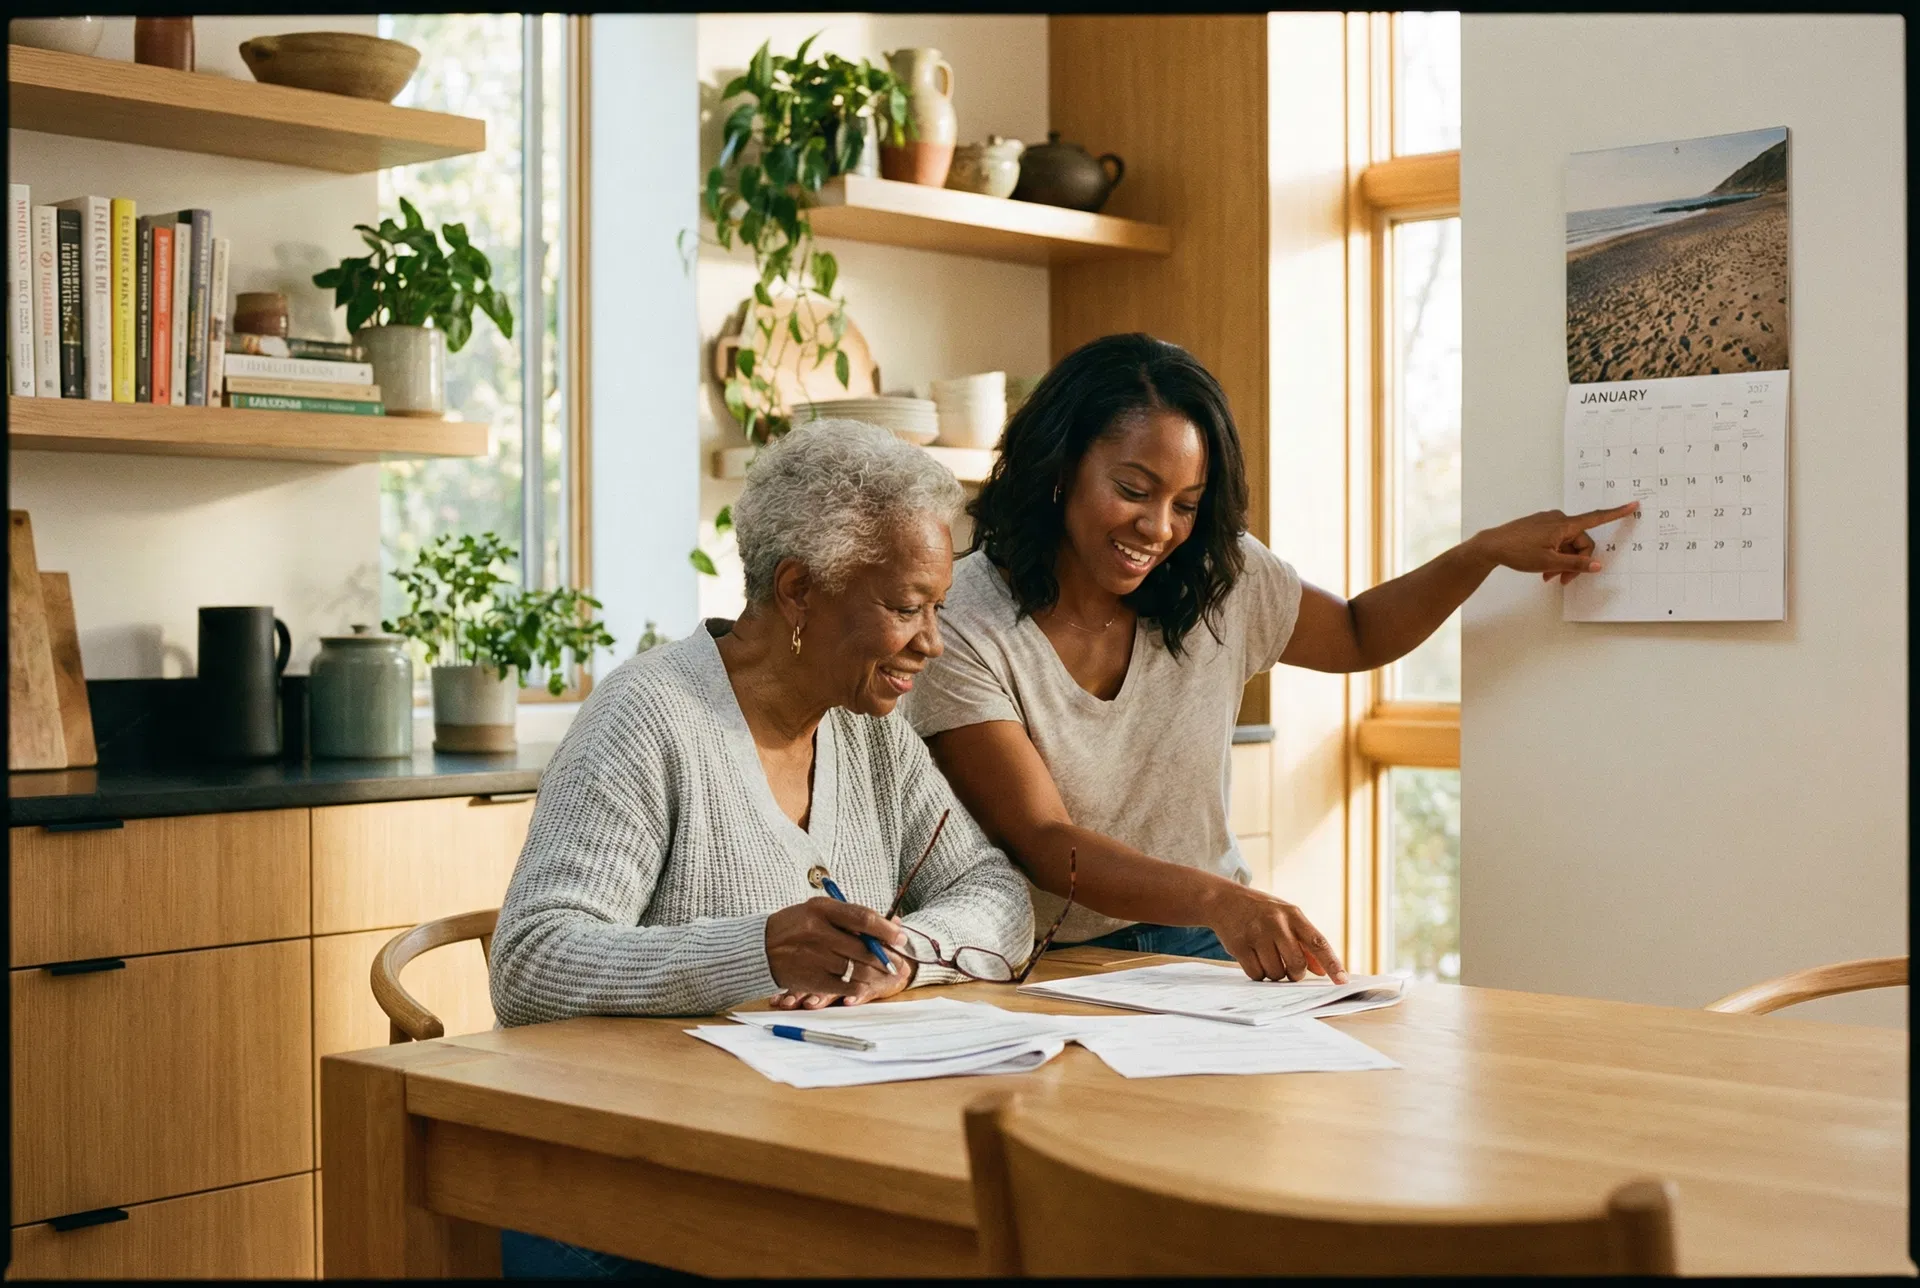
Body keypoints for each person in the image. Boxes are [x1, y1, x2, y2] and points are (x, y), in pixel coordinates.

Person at [903, 333, 1635, 984]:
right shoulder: (963, 620)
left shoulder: (1220, 577)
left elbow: (1356, 634)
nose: (1158, 529)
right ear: (1059, 470)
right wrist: (1223, 898)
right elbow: (1042, 841)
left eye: (1186, 503)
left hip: (1197, 946)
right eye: (1133, 490)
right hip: (1041, 960)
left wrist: (1481, 553)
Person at [488, 418, 1034, 1278]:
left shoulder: (869, 733)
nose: (930, 643)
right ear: (797, 591)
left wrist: (899, 957)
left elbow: (993, 889)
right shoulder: (647, 720)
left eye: (937, 608)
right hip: (625, 1186)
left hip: (797, 1148)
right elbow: (532, 962)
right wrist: (757, 950)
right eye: (903, 608)